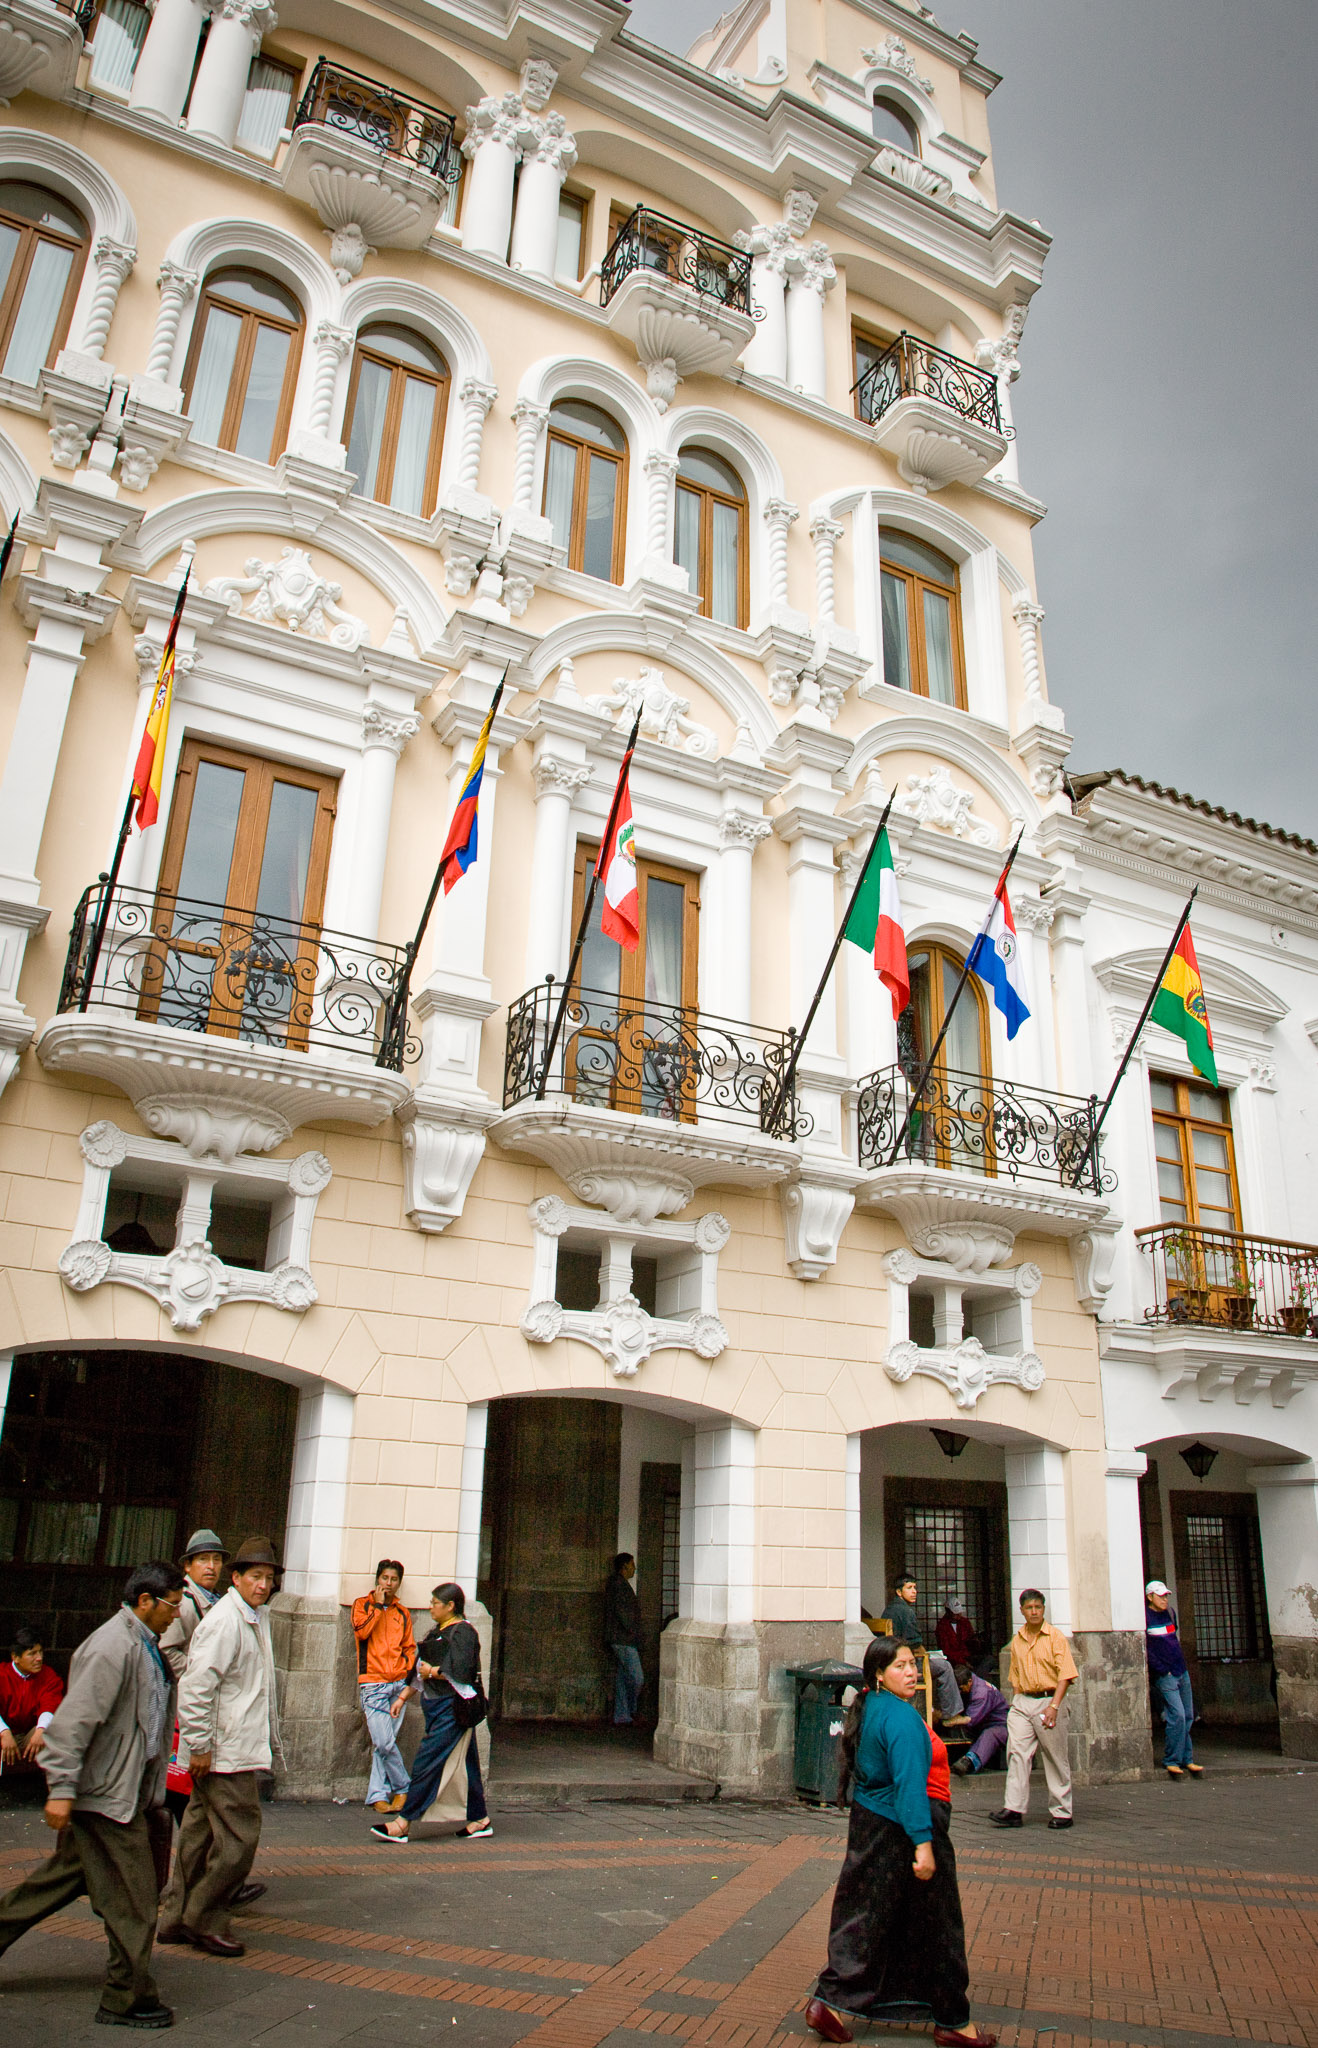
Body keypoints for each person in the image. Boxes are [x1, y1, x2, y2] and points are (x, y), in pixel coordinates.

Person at [0, 1561, 185, 2031]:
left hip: (118, 1793)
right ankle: (124, 1997)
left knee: (55, 1883)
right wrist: (61, 1790)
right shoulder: (111, 1647)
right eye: (172, 1603)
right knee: (137, 1899)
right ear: (145, 1601)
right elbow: (72, 1724)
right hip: (105, 1798)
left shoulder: (144, 1643)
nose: (177, 1612)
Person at [805, 1634, 996, 2047]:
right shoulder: (902, 1719)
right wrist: (923, 1844)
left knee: (869, 1916)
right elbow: (910, 1786)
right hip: (904, 1827)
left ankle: (833, 2001)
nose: (911, 1673)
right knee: (939, 1925)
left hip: (873, 1822)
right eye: (900, 1667)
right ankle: (953, 2021)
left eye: (912, 1664)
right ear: (878, 1674)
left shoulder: (872, 1706)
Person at [158, 1535, 283, 1958]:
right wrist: (199, 1746)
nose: (262, 1585)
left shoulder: (252, 1615)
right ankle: (204, 1919)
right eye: (255, 1576)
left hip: (226, 1746)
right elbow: (195, 1686)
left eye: (268, 1578)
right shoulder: (227, 1619)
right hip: (224, 1751)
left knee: (197, 1834)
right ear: (238, 1578)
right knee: (238, 1840)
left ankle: (175, 1918)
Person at [370, 1582, 490, 1843]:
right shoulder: (439, 1631)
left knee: (427, 1761)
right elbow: (418, 1670)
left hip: (453, 1708)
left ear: (451, 1606)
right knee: (466, 1763)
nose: (430, 1607)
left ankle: (404, 1822)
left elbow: (462, 1671)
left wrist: (432, 1672)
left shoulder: (463, 1633)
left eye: (435, 1603)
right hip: (439, 1706)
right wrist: (403, 1697)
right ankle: (479, 1818)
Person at [991, 1588, 1078, 1829]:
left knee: (1054, 1756)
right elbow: (1015, 1676)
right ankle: (1014, 1808)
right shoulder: (1018, 1639)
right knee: (1017, 1753)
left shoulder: (1055, 1637)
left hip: (1049, 1700)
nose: (1034, 1612)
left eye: (1038, 1607)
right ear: (1021, 1611)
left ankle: (1062, 1811)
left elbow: (1066, 1675)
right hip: (1023, 1701)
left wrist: (1054, 1706)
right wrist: (1017, 1702)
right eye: (1029, 1608)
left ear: (1043, 1609)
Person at [351, 1558, 416, 1812]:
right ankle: (403, 1788)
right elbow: (362, 1633)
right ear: (377, 1579)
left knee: (384, 1743)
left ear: (399, 1583)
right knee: (385, 1743)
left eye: (394, 1579)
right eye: (385, 1578)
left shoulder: (403, 1613)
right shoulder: (362, 1605)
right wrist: (377, 1607)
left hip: (398, 1685)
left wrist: (406, 1673)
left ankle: (377, 1795)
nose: (388, 1584)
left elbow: (409, 1647)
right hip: (373, 1684)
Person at [879, 1576, 967, 1725]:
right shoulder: (906, 1611)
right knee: (944, 1667)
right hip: (904, 1663)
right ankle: (951, 1714)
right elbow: (915, 1643)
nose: (914, 1592)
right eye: (909, 1588)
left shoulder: (889, 1609)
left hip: (890, 1661)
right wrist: (926, 1655)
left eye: (915, 1588)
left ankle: (938, 1711)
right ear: (899, 1592)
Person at [1146, 1578, 1203, 1779]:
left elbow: (1174, 1639)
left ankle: (1187, 1759)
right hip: (1166, 1675)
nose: (1165, 1600)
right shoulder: (1145, 1618)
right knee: (1176, 1715)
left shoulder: (1170, 1614)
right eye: (1160, 1596)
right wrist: (1162, 1670)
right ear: (1150, 1597)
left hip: (1181, 1671)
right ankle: (1171, 1759)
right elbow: (1148, 1650)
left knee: (1188, 1715)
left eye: (1166, 1596)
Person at [0, 1625, 64, 1768]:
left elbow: (50, 1705)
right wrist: (4, 1732)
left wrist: (41, 1730)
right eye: (32, 1653)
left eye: (40, 1652)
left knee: (52, 1732)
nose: (39, 1658)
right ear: (15, 1657)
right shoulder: (2, 1674)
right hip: (5, 1735)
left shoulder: (48, 1676)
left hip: (28, 1736)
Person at [604, 1552, 644, 1726]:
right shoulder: (619, 1585)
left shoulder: (616, 1584)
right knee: (637, 1677)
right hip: (623, 1639)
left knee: (622, 1677)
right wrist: (633, 1630)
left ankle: (622, 1715)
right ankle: (630, 1709)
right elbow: (623, 1613)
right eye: (632, 1564)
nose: (634, 1568)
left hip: (619, 1637)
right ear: (625, 1566)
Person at [948, 1664, 1008, 1777]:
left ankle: (969, 1762)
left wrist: (954, 1720)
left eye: (961, 1688)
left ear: (969, 1681)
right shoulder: (971, 1681)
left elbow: (970, 1719)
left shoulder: (982, 1693)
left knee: (990, 1734)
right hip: (983, 1723)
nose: (960, 1692)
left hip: (1001, 1726)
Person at [935, 1599, 977, 1668]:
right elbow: (946, 1650)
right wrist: (963, 1662)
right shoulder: (942, 1626)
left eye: (959, 1612)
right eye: (956, 1613)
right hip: (952, 1660)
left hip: (968, 1656)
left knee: (989, 1660)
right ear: (948, 1612)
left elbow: (971, 1639)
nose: (959, 1615)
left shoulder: (965, 1622)